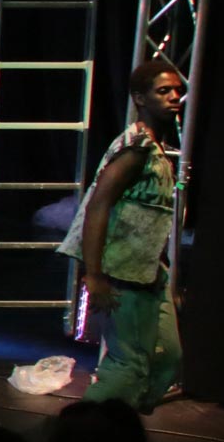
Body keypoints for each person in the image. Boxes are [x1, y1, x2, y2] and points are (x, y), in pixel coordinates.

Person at [60, 56, 186, 412]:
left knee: (167, 357)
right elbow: (98, 205)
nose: (174, 97)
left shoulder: (153, 146)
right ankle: (87, 426)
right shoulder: (136, 148)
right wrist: (94, 274)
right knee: (128, 364)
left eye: (177, 91)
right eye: (163, 91)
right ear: (140, 98)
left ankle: (121, 418)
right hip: (123, 273)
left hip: (149, 271)